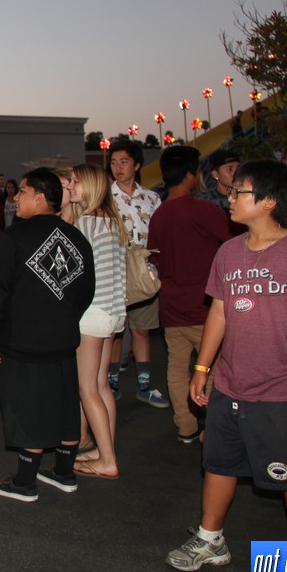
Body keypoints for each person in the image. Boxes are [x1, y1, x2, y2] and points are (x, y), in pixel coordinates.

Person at [166, 160, 287, 571]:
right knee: (218, 463)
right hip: (230, 384)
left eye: (240, 191)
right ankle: (210, 539)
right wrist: (202, 369)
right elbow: (219, 312)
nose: (230, 198)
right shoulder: (228, 251)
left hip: (281, 389)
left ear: (270, 201)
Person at [0, 168, 95, 501]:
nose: (16, 198)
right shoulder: (77, 238)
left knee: (28, 406)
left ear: (41, 197)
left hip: (23, 339)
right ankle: (64, 472)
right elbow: (86, 290)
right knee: (65, 403)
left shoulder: (16, 236)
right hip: (63, 337)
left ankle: (25, 481)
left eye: (23, 191)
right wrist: (63, 317)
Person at [147, 146, 233, 444]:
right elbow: (233, 241)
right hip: (205, 305)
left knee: (177, 367)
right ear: (190, 175)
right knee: (214, 367)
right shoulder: (204, 210)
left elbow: (154, 255)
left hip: (171, 304)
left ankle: (185, 425)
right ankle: (213, 428)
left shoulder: (159, 215)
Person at [66, 163, 126, 480]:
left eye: (76, 182)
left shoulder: (85, 223)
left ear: (91, 187)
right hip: (113, 312)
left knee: (87, 387)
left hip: (91, 313)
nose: (70, 186)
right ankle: (105, 450)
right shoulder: (111, 221)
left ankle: (107, 460)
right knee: (101, 385)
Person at [108, 140, 168, 409]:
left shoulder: (152, 198)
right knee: (116, 332)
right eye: (113, 162)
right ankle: (111, 383)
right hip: (115, 270)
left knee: (142, 329)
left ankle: (145, 385)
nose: (118, 167)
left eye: (124, 162)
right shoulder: (105, 198)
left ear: (137, 164)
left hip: (144, 272)